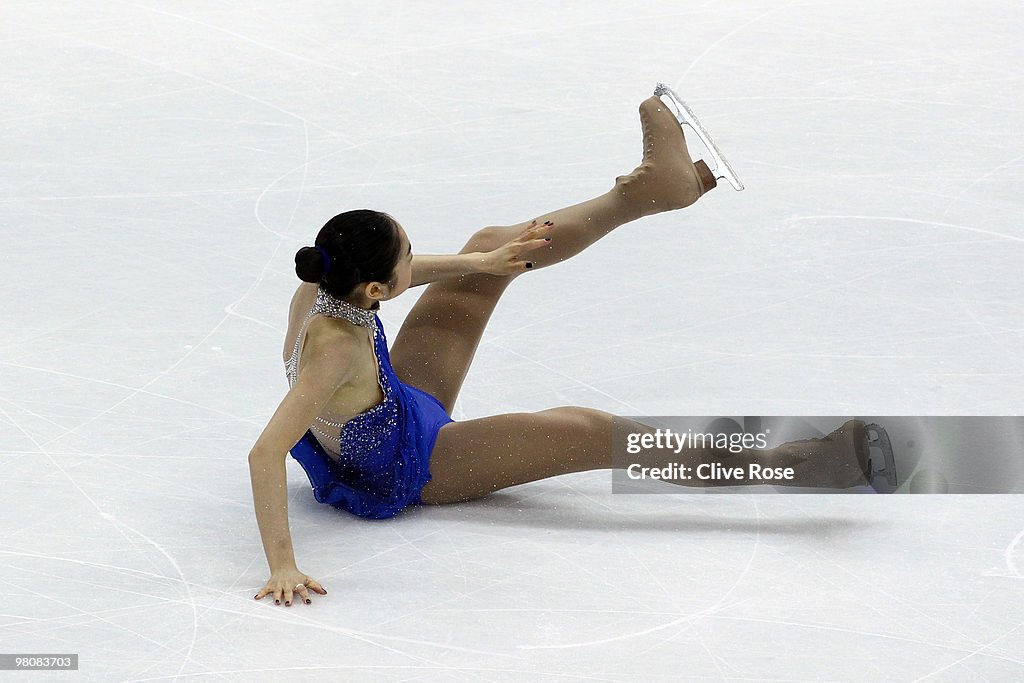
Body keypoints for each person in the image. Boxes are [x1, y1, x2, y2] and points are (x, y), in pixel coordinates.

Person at [249, 88, 874, 607]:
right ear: (377, 287)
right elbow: (265, 454)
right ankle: (806, 464)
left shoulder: (322, 280)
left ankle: (653, 189)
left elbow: (415, 272)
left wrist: (484, 261)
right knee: (585, 429)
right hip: (405, 464)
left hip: (396, 402)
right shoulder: (332, 349)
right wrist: (282, 566)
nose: (419, 262)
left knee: (496, 242)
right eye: (410, 257)